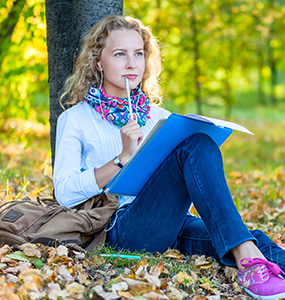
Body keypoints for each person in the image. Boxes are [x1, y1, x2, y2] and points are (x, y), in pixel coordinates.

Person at [53, 15, 285, 299]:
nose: (131, 63)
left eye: (138, 54)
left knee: (245, 237)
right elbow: (64, 193)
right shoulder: (75, 119)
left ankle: (253, 261)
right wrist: (121, 159)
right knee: (196, 145)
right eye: (120, 54)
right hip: (124, 227)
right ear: (98, 62)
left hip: (174, 222)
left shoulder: (158, 117)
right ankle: (251, 267)